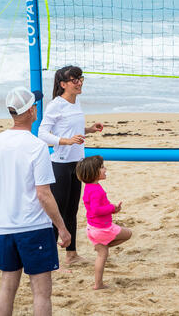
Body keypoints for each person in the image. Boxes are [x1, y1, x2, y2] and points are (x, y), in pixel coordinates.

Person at [0, 86, 70, 316]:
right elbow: (43, 194)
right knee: (41, 293)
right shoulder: (37, 146)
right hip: (34, 227)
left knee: (7, 287)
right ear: (32, 110)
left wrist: (2, 212)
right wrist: (62, 228)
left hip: (7, 226)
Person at [37, 65, 104, 265]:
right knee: (57, 211)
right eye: (74, 80)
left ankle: (71, 255)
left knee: (72, 210)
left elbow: (70, 128)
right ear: (63, 84)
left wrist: (89, 130)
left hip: (77, 164)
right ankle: (49, 257)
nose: (79, 83)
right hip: (60, 164)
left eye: (80, 78)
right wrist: (65, 141)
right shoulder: (56, 105)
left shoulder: (76, 102)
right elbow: (42, 133)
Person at [75, 155, 133, 290]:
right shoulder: (95, 190)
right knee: (128, 234)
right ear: (93, 172)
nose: (105, 169)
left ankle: (98, 284)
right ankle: (105, 246)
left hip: (92, 228)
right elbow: (96, 210)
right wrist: (112, 208)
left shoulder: (90, 187)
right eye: (101, 167)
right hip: (102, 229)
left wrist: (111, 210)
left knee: (102, 255)